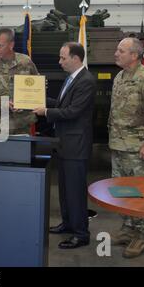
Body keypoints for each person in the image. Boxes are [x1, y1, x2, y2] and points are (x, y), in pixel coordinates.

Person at [34, 42, 97, 249]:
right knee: (64, 189)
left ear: (76, 59)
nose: (59, 62)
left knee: (75, 191)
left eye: (63, 58)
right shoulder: (72, 78)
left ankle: (81, 233)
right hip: (64, 143)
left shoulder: (85, 81)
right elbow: (62, 104)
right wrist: (38, 99)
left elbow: (72, 112)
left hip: (75, 145)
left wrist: (46, 112)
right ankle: (69, 223)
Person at [108, 37, 144, 258]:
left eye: (121, 50)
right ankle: (128, 229)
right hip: (119, 146)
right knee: (123, 192)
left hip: (139, 149)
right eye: (117, 49)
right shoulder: (120, 77)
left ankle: (141, 237)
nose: (116, 53)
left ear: (134, 55)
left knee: (142, 193)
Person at [0, 27, 39, 134]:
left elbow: (37, 86)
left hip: (24, 123)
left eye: (0, 46)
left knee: (23, 151)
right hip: (0, 125)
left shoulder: (25, 62)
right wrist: (4, 104)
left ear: (11, 45)